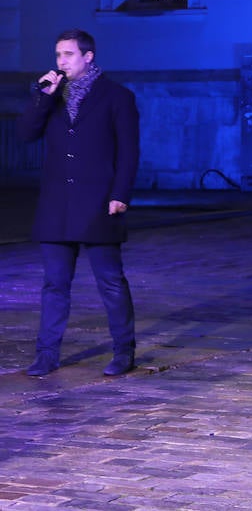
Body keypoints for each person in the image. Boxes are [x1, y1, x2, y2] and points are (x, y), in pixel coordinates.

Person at [19, 29, 140, 378]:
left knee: (111, 281)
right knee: (54, 283)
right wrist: (42, 97)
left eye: (68, 54)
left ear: (88, 57)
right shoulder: (50, 96)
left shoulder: (117, 97)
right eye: (58, 55)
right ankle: (46, 354)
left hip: (99, 202)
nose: (61, 62)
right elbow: (26, 134)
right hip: (57, 205)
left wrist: (120, 194)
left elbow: (128, 152)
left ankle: (123, 351)